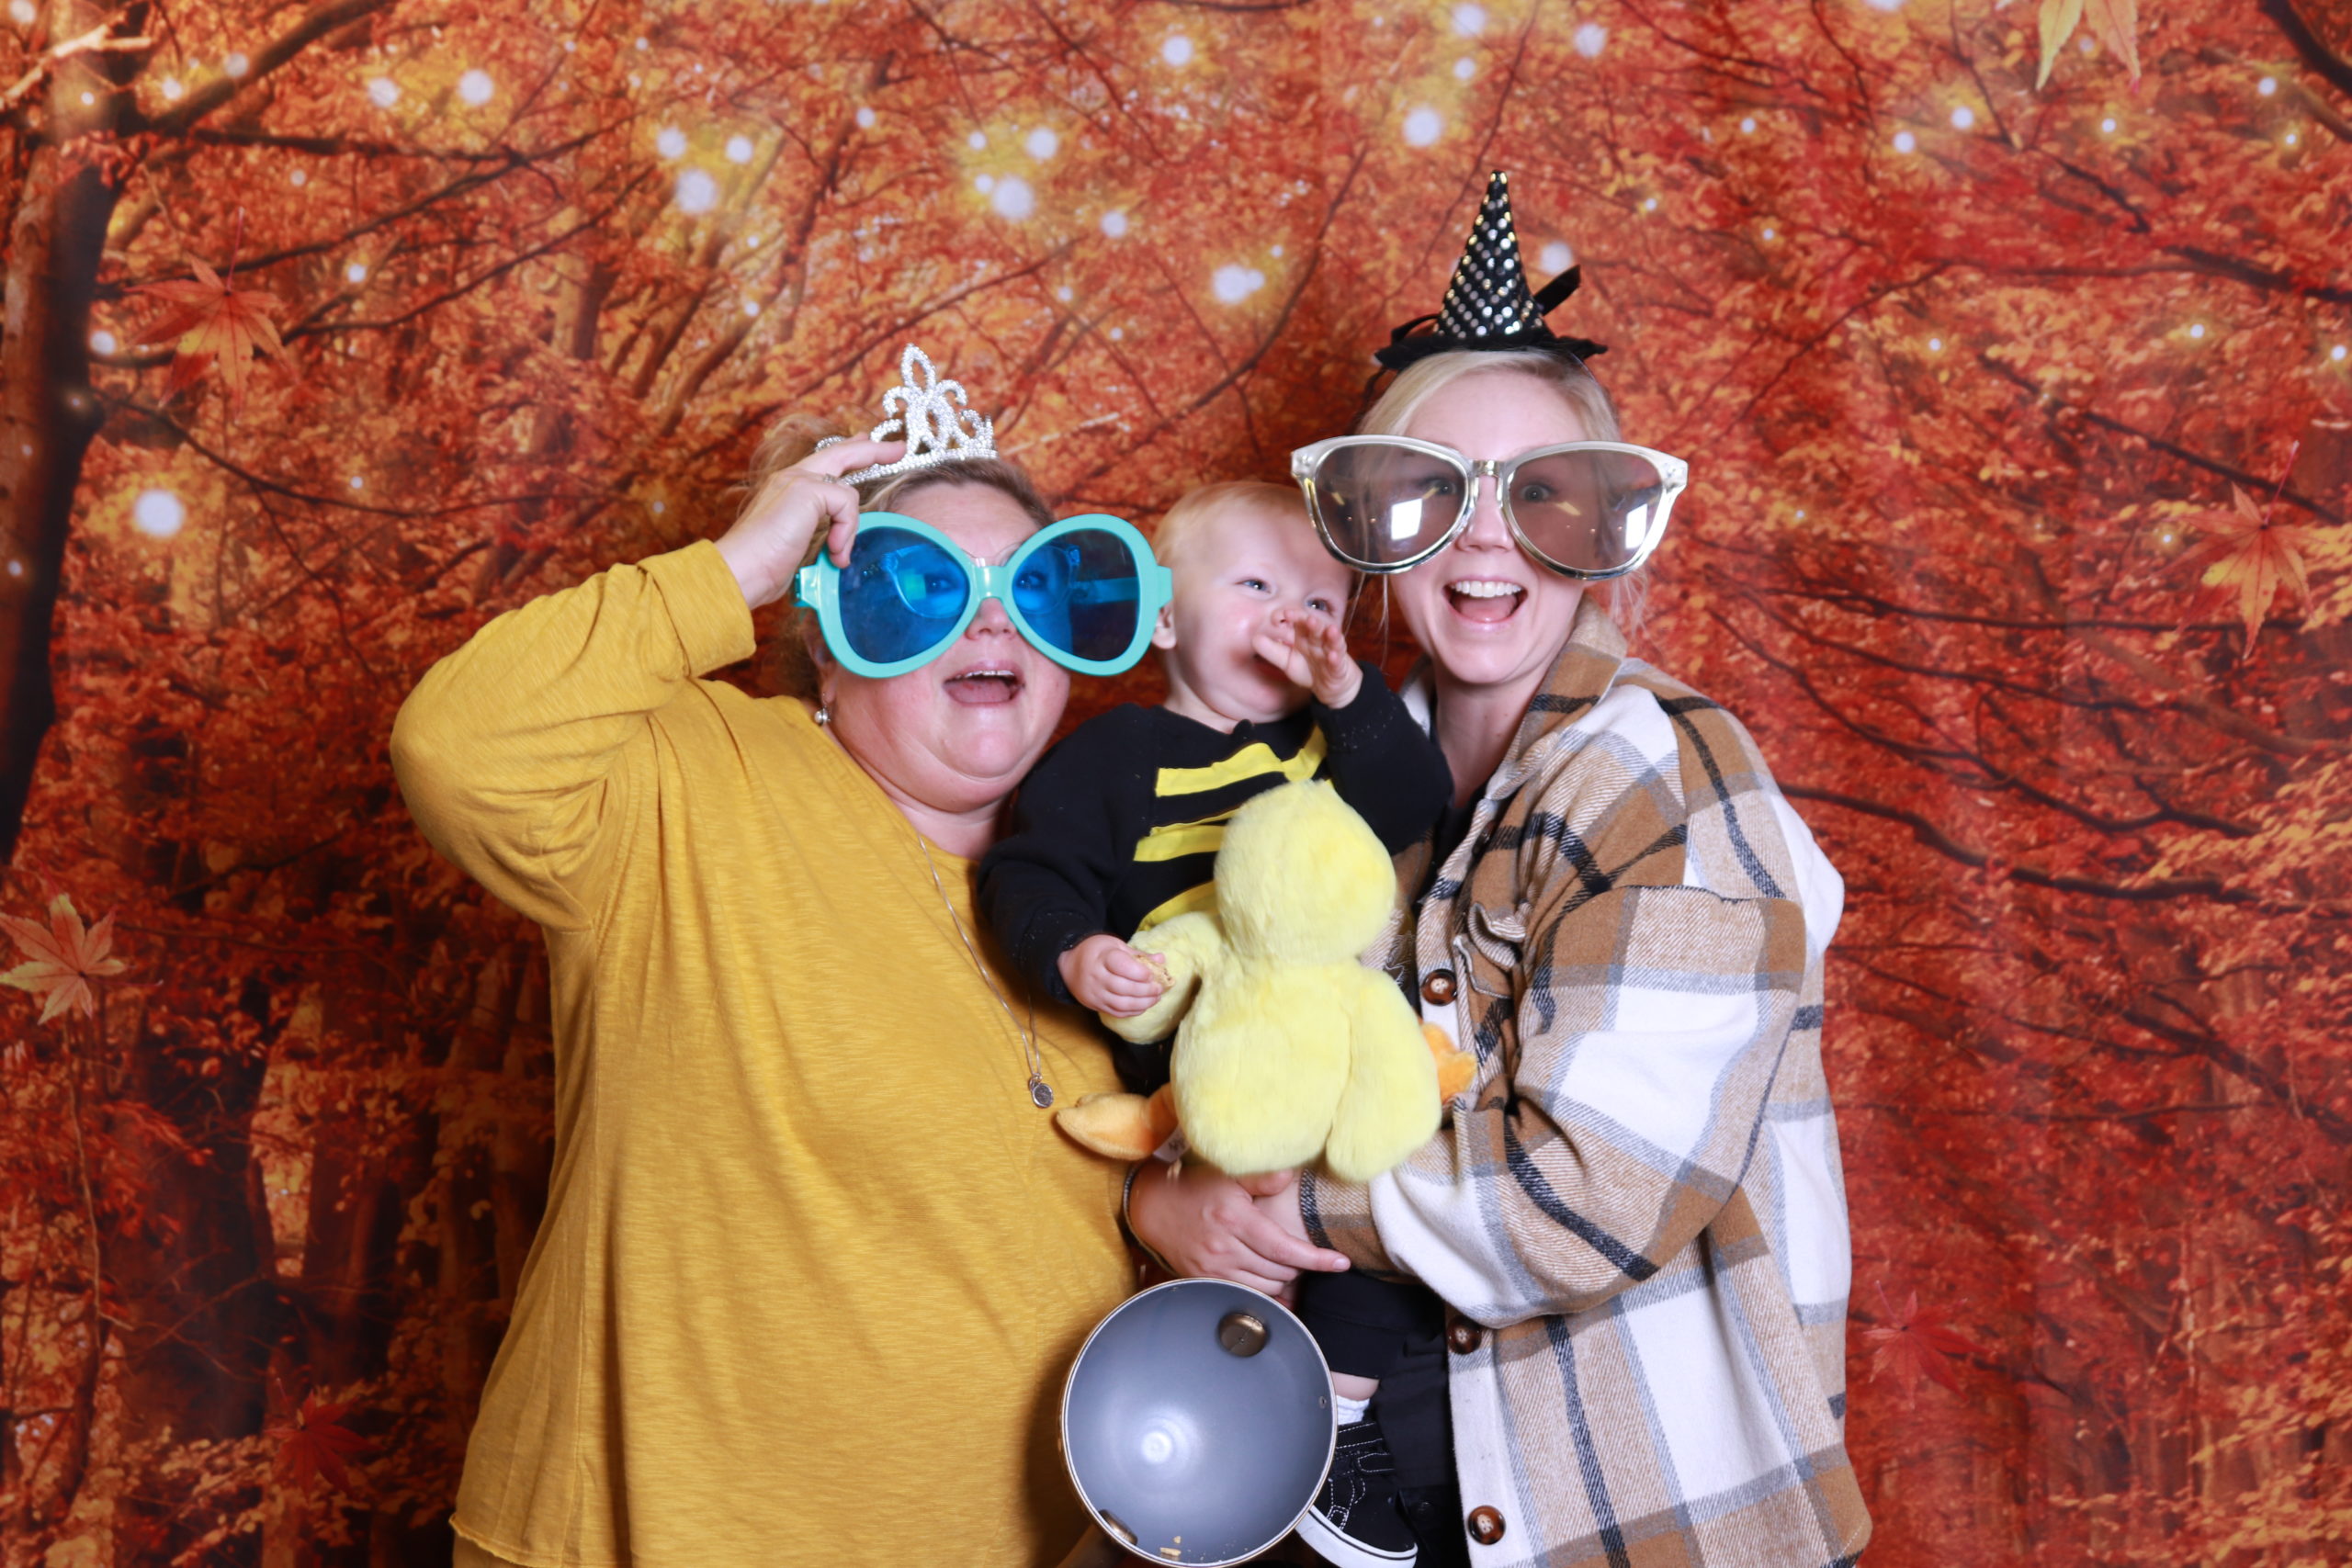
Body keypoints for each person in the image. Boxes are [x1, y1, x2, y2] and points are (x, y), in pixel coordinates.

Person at [1125, 175, 1871, 1568]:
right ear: (1366, 529)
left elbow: (1585, 1193)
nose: (1482, 535)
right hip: (1379, 1489)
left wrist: (1281, 1205)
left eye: (1543, 495)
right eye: (1430, 491)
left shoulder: (1667, 778)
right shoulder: (1324, 793)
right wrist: (1165, 1196)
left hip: (1627, 1521)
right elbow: (1244, 1045)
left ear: (1605, 532)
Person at [390, 345, 1145, 1568]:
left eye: (1037, 588)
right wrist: (734, 567)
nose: (992, 618)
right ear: (829, 635)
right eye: (919, 587)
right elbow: (455, 747)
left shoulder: (1105, 873)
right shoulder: (690, 774)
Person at [977, 480, 1453, 1568]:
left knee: (1376, 1234)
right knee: (1234, 1265)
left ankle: (1339, 1424)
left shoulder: (1329, 748)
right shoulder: (1114, 757)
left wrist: (1351, 696)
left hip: (1329, 1058)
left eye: (1322, 602)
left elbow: (1413, 802)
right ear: (1162, 619)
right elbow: (1026, 874)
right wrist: (1075, 953)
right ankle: (1210, 1451)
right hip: (1199, 1077)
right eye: (1255, 586)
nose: (1295, 617)